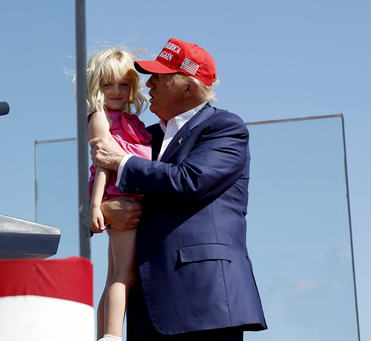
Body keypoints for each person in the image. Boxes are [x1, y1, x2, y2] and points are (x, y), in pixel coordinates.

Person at [90, 38, 268, 340]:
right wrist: (105, 209)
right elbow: (102, 181)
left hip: (203, 305)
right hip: (147, 309)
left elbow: (189, 180)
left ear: (189, 87)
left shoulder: (225, 128)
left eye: (160, 77)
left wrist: (123, 162)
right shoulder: (144, 137)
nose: (149, 85)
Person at [86, 47, 153, 341]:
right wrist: (96, 205)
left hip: (129, 197)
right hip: (121, 198)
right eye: (108, 84)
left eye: (123, 84)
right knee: (124, 274)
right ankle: (112, 336)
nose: (116, 91)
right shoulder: (101, 118)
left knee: (115, 273)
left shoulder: (131, 122)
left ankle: (104, 335)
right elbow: (102, 164)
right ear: (97, 85)